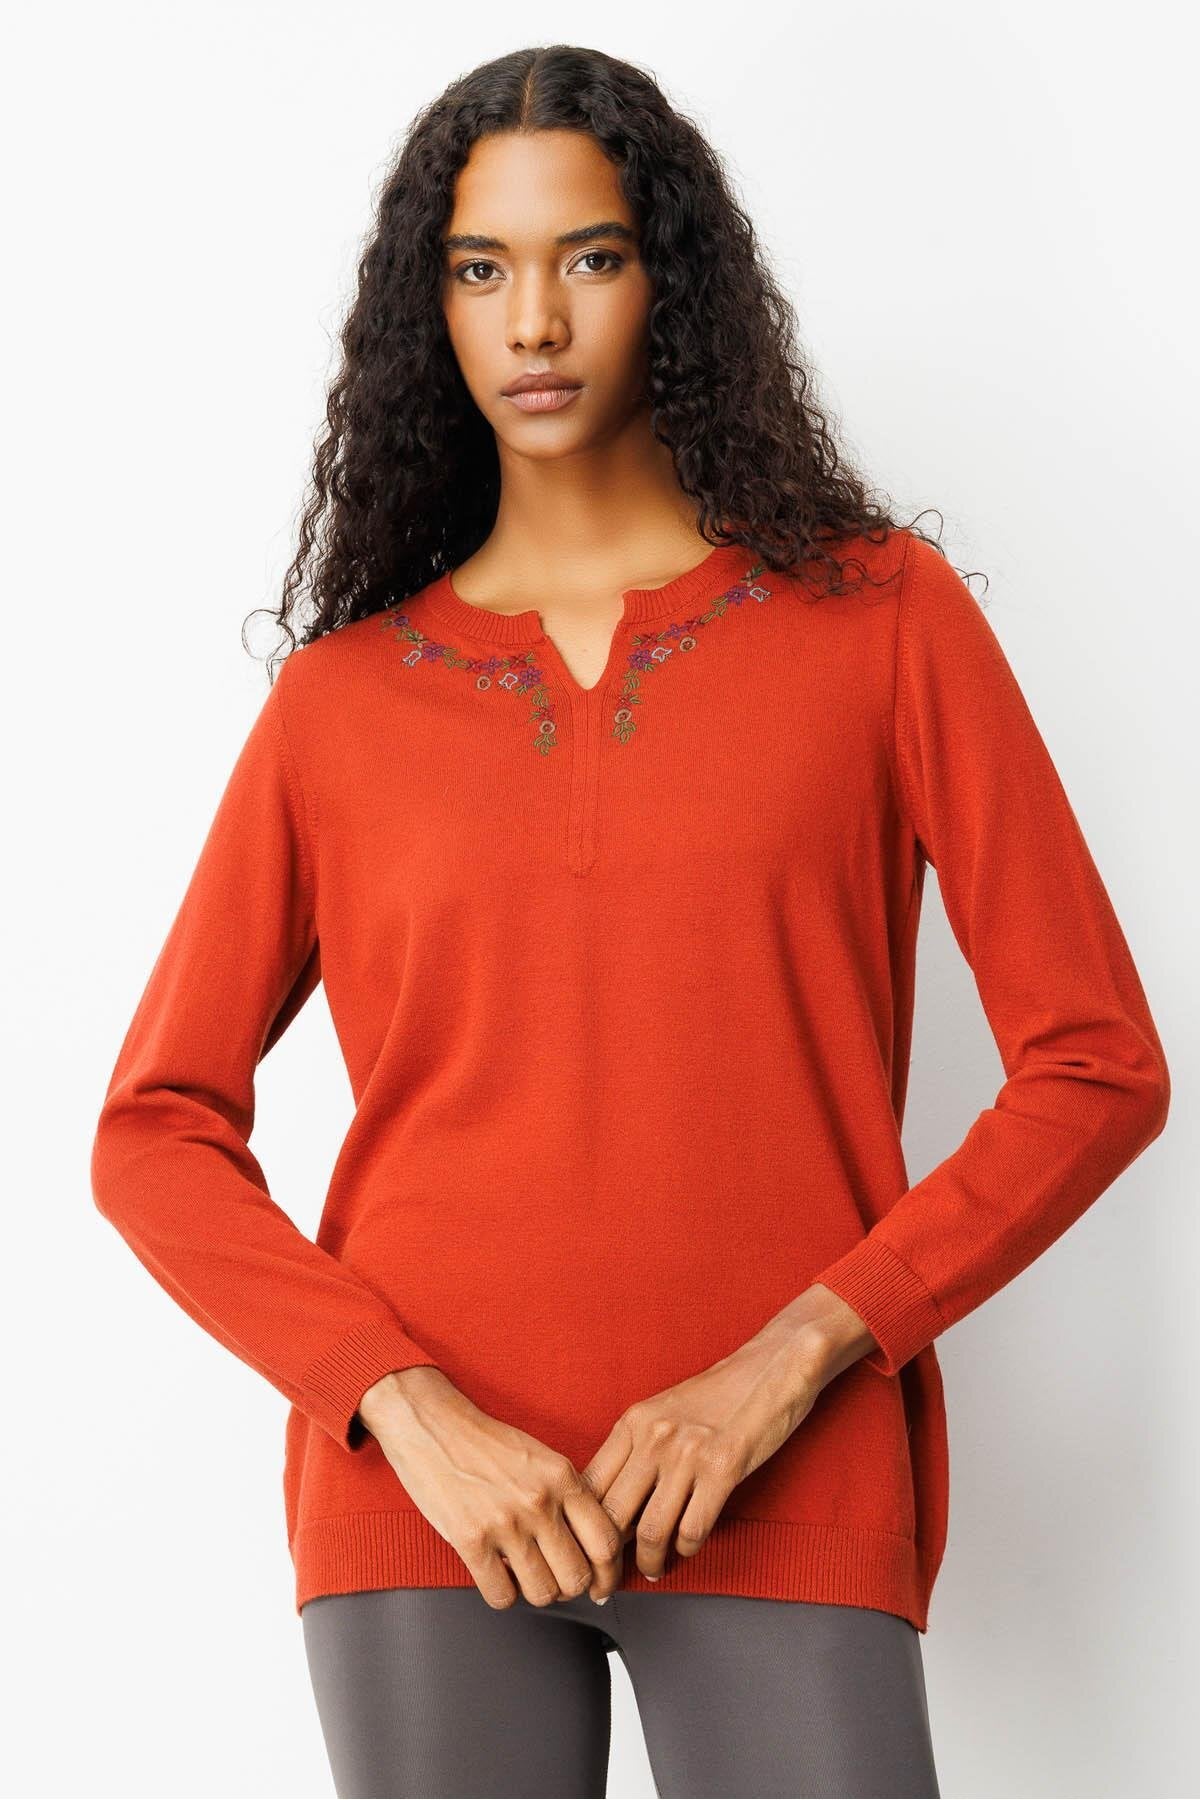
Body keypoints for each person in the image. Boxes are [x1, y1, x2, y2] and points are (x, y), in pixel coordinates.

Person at [89, 42, 1170, 1800]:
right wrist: (399, 1403)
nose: (534, 321)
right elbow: (152, 1130)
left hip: (785, 1471)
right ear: (429, 308)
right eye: (481, 268)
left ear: (672, 278)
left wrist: (794, 1360)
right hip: (431, 1508)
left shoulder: (882, 623)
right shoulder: (341, 704)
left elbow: (1097, 1065)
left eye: (588, 256)